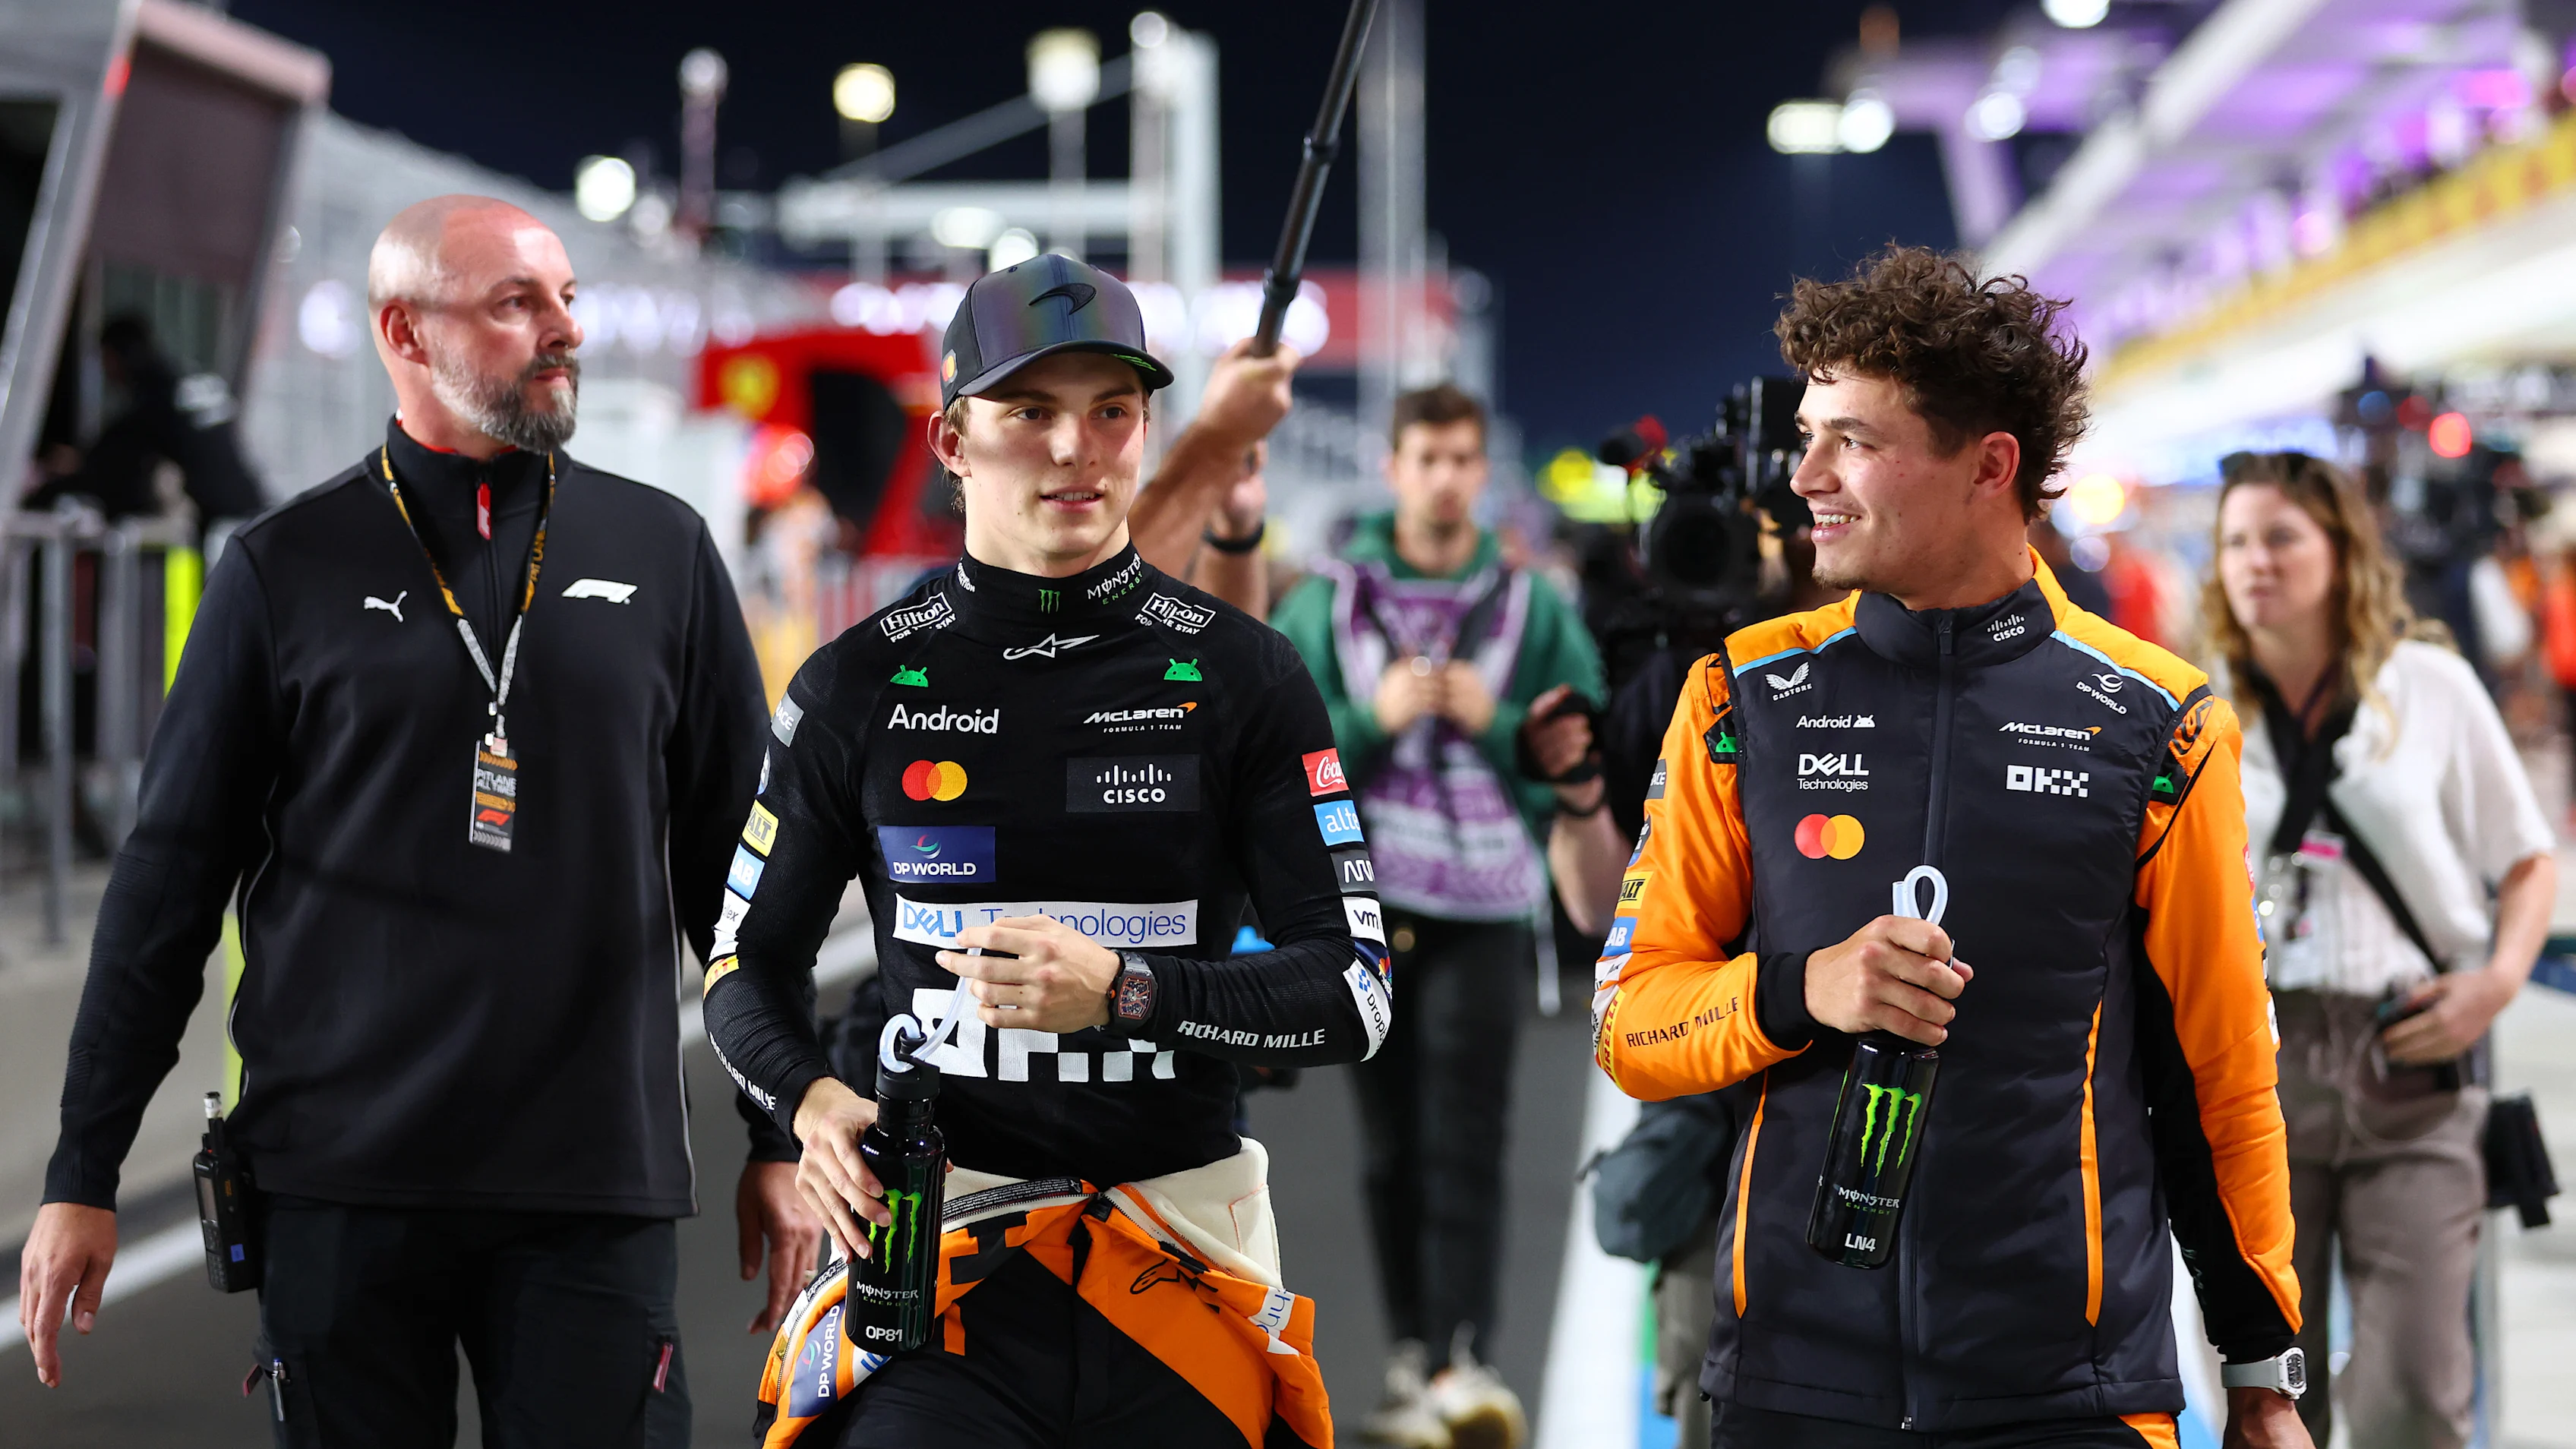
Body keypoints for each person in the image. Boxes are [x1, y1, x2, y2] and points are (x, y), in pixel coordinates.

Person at [14, 194, 819, 1444]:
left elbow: (738, 875)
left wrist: (779, 1122)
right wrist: (84, 1167)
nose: (564, 331)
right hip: (337, 1186)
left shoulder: (665, 552)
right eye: (517, 303)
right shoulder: (283, 568)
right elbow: (167, 883)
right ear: (403, 330)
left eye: (567, 298)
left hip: (591, 1182)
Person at [1593, 247, 2312, 1449]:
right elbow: (1631, 1022)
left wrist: (2262, 1369)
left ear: (1991, 467)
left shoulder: (2162, 724)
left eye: (1854, 442)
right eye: (1809, 434)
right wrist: (1800, 990)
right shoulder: (1741, 698)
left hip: (2073, 1396)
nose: (1805, 475)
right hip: (1794, 1387)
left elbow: (2219, 1077)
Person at [702, 253, 1388, 1447]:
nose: (1078, 449)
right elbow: (742, 970)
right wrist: (810, 1102)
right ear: (954, 441)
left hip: (1178, 1264)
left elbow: (1356, 993)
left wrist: (1127, 992)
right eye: (1031, 412)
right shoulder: (855, 683)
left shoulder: (1246, 676)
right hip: (940, 1271)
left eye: (1111, 411)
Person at [1271, 383, 1607, 1449]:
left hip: (1487, 910)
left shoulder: (1529, 602)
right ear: (1394, 466)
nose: (1446, 477)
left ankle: (1465, 1358)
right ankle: (1415, 1357)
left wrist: (1496, 721)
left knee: (1470, 1141)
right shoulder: (1326, 598)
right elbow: (1276, 752)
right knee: (1388, 1150)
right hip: (1361, 913)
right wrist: (1373, 722)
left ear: (1479, 471)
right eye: (1429, 458)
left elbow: (1578, 735)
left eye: (1464, 459)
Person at [2208, 450, 2556, 1449]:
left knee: (2412, 1391)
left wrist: (2495, 983)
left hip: (2412, 1067)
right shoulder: (2196, 706)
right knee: (2268, 1399)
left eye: (2282, 536)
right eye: (2236, 541)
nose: (2255, 562)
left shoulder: (2431, 686)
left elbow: (2529, 858)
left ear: (2341, 551)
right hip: (2258, 1083)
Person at [25, 312, 268, 541]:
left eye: (105, 359)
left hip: (227, 528)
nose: (106, 371)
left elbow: (111, 463)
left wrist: (46, 488)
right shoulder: (187, 384)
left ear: (117, 355)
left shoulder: (158, 400)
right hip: (253, 515)